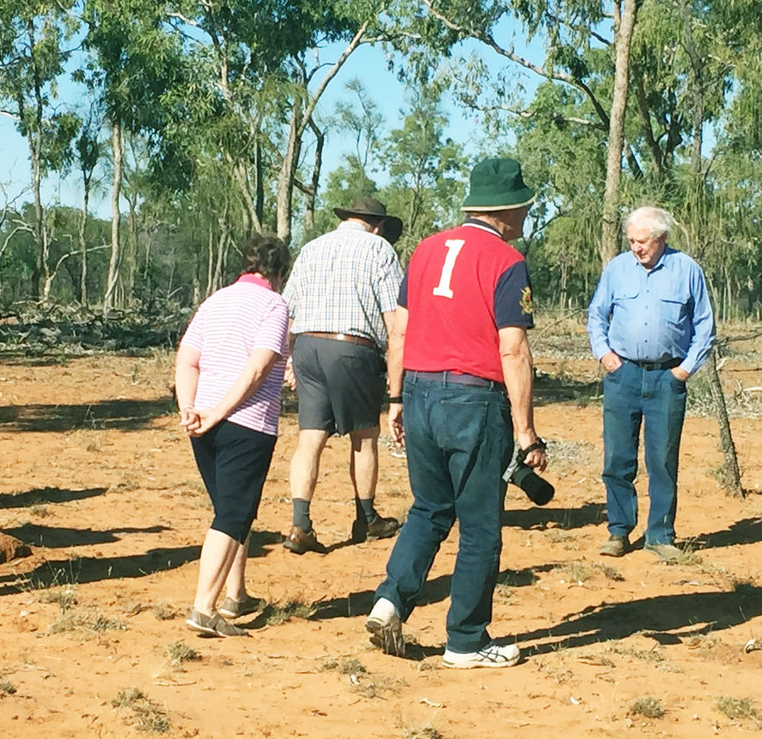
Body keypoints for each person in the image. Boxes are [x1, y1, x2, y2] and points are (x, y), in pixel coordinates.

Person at [366, 157, 547, 669]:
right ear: (506, 210)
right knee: (481, 526)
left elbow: (398, 332)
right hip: (473, 398)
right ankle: (466, 640)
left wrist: (396, 398)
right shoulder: (507, 261)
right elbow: (512, 350)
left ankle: (389, 600)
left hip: (419, 392)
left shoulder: (423, 250)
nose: (527, 214)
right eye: (525, 206)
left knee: (428, 508)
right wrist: (527, 430)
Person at [175, 235, 291, 637]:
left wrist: (190, 408)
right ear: (279, 272)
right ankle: (204, 608)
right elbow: (257, 370)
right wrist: (220, 411)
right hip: (247, 424)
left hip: (202, 423)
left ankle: (235, 594)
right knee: (232, 514)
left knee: (233, 507)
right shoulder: (274, 305)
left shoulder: (215, 301)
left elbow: (187, 359)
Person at [587, 206, 715, 561]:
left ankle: (660, 534)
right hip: (622, 375)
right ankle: (618, 531)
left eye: (642, 242)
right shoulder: (617, 269)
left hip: (667, 378)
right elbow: (597, 314)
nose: (636, 248)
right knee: (617, 457)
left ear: (661, 239)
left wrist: (684, 370)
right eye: (631, 241)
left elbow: (705, 325)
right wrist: (604, 354)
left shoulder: (686, 270)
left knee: (661, 458)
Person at [281, 197, 404, 554]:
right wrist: (396, 385)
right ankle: (366, 518)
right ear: (377, 225)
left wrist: (289, 358)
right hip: (352, 348)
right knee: (364, 436)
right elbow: (394, 321)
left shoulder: (311, 248)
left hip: (307, 346)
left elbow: (287, 311)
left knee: (310, 439)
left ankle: (300, 523)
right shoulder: (379, 250)